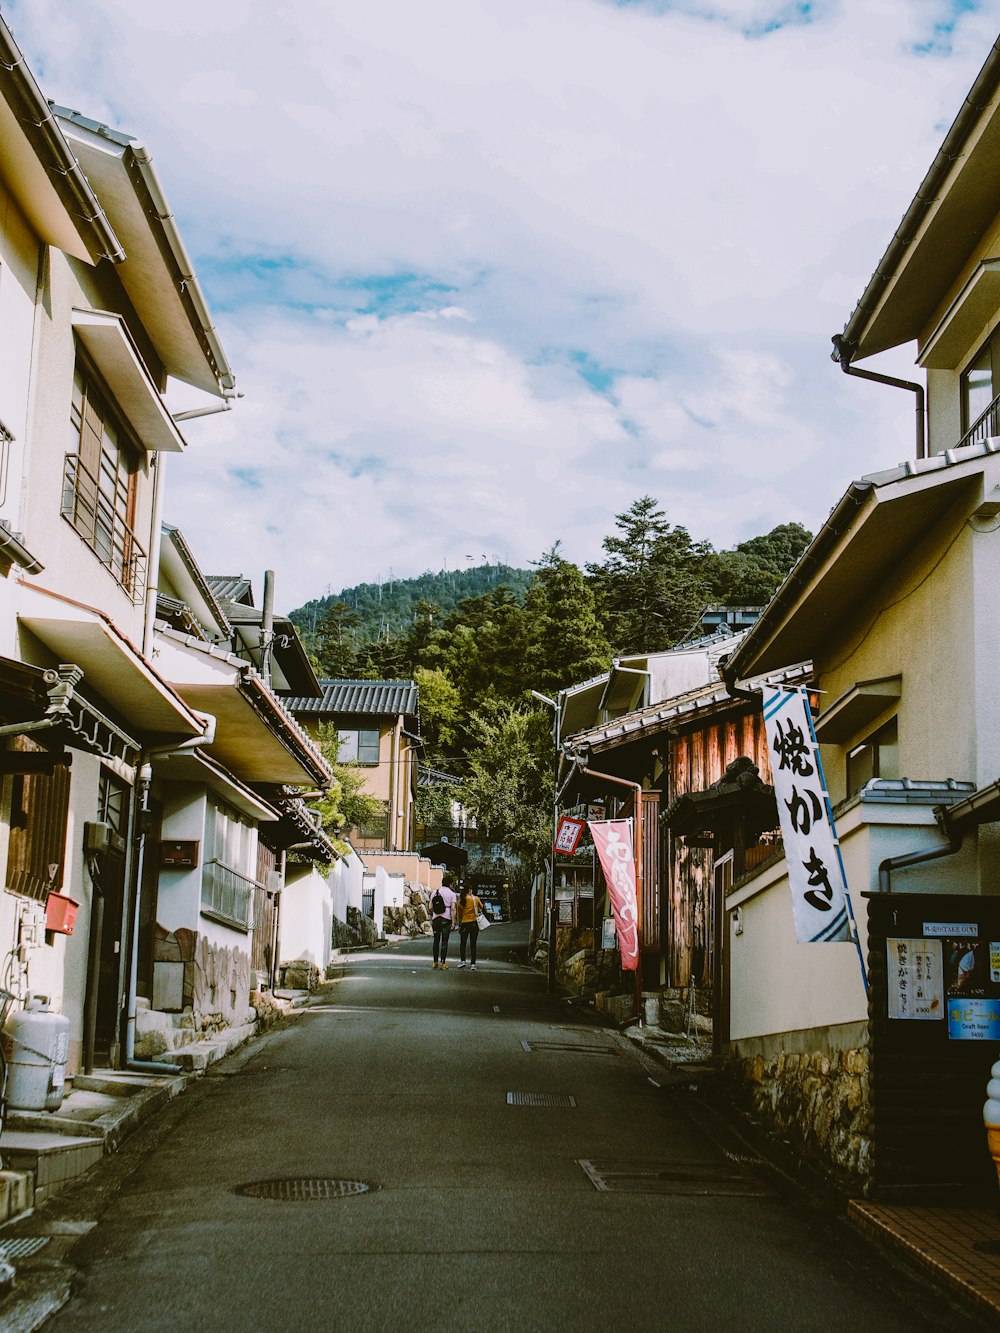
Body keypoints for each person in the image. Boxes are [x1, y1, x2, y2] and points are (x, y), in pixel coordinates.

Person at [455, 885, 486, 971]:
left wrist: (459, 924)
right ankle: (473, 964)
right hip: (474, 923)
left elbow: (459, 915)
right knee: (473, 944)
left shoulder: (460, 901)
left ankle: (463, 961)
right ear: (470, 890)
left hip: (465, 923)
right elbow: (482, 907)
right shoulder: (475, 899)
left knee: (463, 943)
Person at [430, 878, 457, 969]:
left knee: (436, 940)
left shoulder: (434, 892)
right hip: (446, 919)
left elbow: (430, 907)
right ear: (450, 884)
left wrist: (436, 911)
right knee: (444, 941)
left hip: (436, 918)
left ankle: (435, 962)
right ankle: (442, 962)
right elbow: (453, 909)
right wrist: (453, 922)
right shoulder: (452, 894)